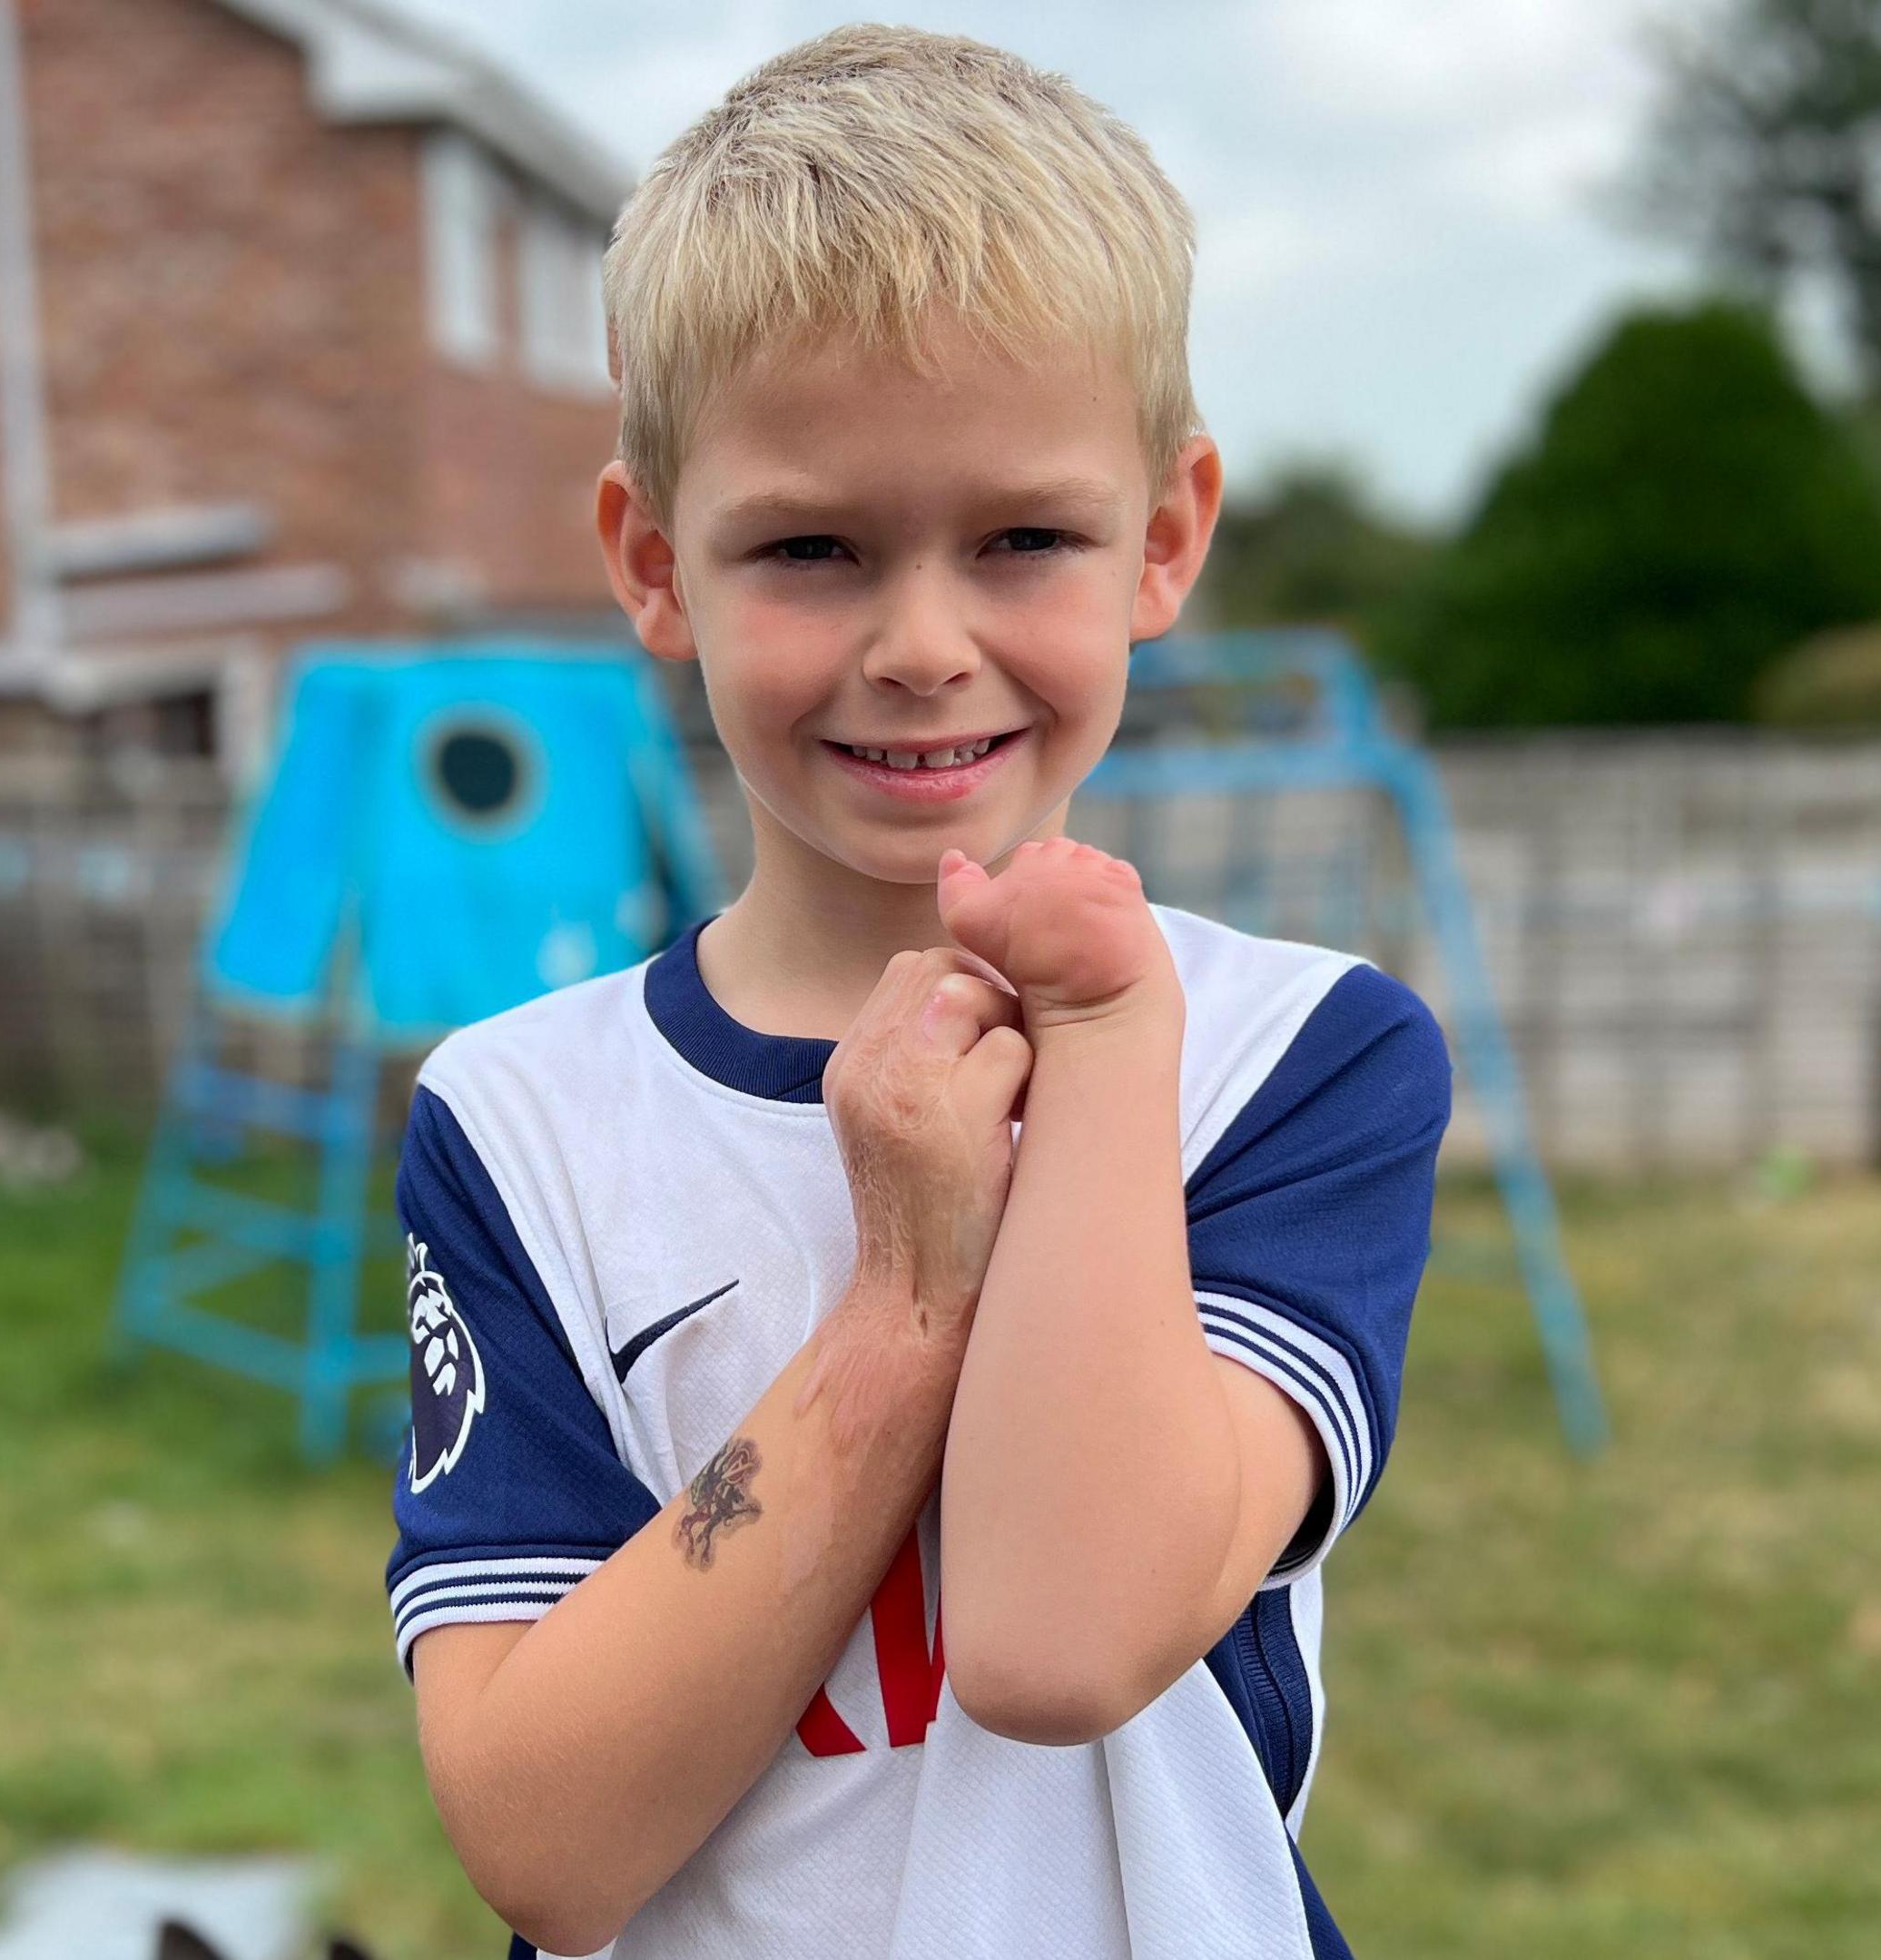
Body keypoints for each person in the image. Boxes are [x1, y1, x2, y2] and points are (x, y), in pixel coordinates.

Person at [383, 25, 1449, 1957]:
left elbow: (1063, 1637)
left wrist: (1108, 1047)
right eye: (811, 549)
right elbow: (545, 1843)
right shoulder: (516, 1118)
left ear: (1168, 537)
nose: (923, 645)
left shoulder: (1299, 1060)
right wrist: (903, 1295)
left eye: (1025, 538)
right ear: (654, 564)